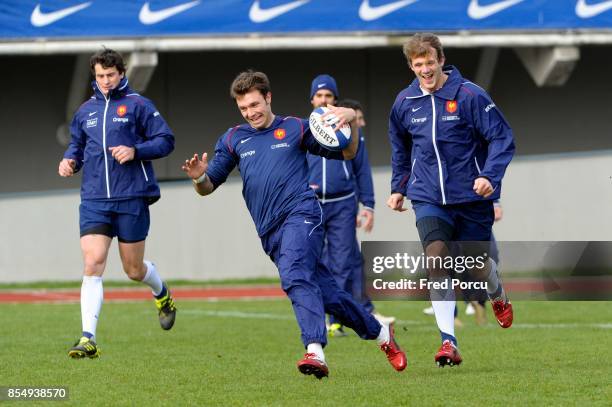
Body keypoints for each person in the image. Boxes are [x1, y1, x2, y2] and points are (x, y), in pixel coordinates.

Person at [181, 70, 406, 379]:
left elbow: (347, 151)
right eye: (244, 108)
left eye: (255, 105)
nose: (251, 113)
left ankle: (314, 349)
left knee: (295, 274)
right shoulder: (233, 138)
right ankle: (381, 334)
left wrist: (350, 121)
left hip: (303, 215)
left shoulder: (296, 128)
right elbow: (208, 186)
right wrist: (199, 178)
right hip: (270, 232)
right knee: (331, 296)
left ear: (268, 97)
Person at [386, 33, 515, 367]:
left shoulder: (470, 95)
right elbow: (401, 150)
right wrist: (398, 187)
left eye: (430, 62)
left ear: (441, 60)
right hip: (427, 197)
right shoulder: (404, 103)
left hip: (471, 197)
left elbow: (502, 137)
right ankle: (448, 341)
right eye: (418, 64)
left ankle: (496, 293)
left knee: (475, 267)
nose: (425, 69)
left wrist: (490, 176)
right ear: (411, 66)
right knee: (436, 258)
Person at [58, 48, 177, 359]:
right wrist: (70, 160)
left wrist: (135, 150)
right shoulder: (85, 111)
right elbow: (77, 145)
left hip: (132, 197)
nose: (106, 81)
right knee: (93, 261)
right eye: (100, 76)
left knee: (134, 270)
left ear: (122, 74)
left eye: (111, 75)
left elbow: (166, 140)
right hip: (95, 198)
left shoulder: (139, 105)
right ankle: (88, 338)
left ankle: (162, 294)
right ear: (94, 76)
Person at [305, 77, 393, 337]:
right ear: (312, 100)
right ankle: (317, 316)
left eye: (328, 96)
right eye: (319, 96)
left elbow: (361, 168)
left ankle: (336, 319)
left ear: (335, 100)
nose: (323, 100)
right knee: (312, 262)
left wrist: (369, 205)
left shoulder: (348, 129)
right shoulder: (302, 128)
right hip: (311, 206)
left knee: (342, 263)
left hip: (343, 203)